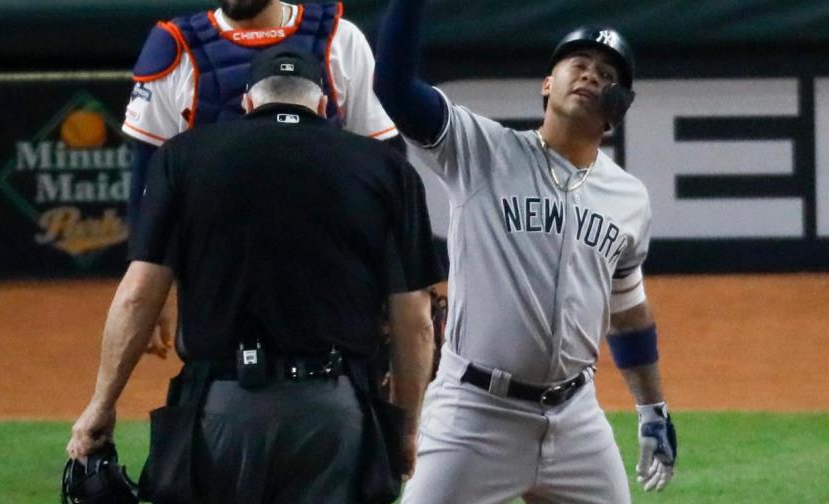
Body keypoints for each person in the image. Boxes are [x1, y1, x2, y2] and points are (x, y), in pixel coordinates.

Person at [68, 47, 443, 503]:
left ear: (248, 101)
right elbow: (416, 320)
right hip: (335, 412)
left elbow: (137, 295)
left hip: (220, 410)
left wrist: (101, 405)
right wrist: (405, 428)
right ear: (323, 105)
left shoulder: (183, 157)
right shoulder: (386, 168)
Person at [373, 1, 678, 502]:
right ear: (547, 84)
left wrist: (652, 408)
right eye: (578, 64)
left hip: (575, 419)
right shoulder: (481, 151)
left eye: (606, 75)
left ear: (618, 107)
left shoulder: (630, 199)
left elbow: (627, 313)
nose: (591, 75)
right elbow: (394, 88)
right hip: (475, 413)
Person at [122, 0, 401, 356]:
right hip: (218, 271)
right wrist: (147, 287)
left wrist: (394, 282)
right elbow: (148, 182)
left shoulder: (339, 39)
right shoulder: (177, 48)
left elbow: (380, 167)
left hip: (329, 264)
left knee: (343, 374)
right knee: (216, 375)